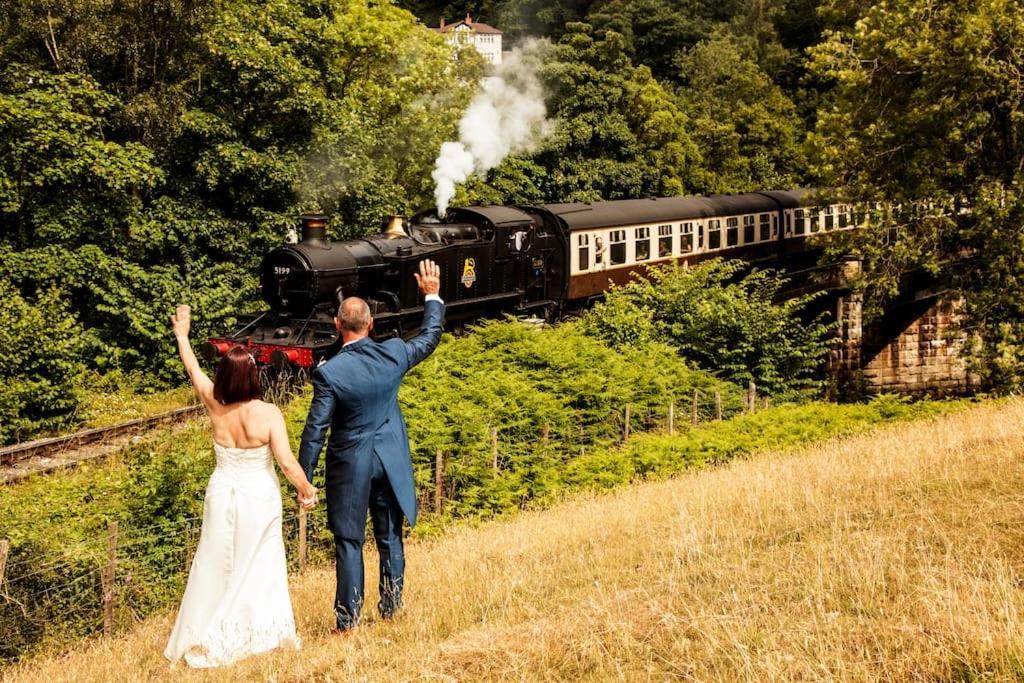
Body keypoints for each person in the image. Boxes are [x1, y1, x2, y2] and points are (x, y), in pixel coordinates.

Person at [164, 306, 317, 668]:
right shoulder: (267, 414)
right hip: (259, 496)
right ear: (252, 376)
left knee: (214, 561)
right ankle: (253, 630)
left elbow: (192, 369)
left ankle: (204, 627)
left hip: (221, 492)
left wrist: (182, 334)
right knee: (260, 561)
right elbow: (286, 462)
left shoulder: (214, 404)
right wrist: (306, 489)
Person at [299, 259, 444, 633]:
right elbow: (429, 338)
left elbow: (317, 428)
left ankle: (348, 621)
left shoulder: (330, 373)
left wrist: (305, 478)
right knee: (389, 534)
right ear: (371, 325)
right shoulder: (394, 353)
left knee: (349, 541)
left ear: (337, 325)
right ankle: (392, 606)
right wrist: (432, 296)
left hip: (351, 464)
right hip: (389, 457)